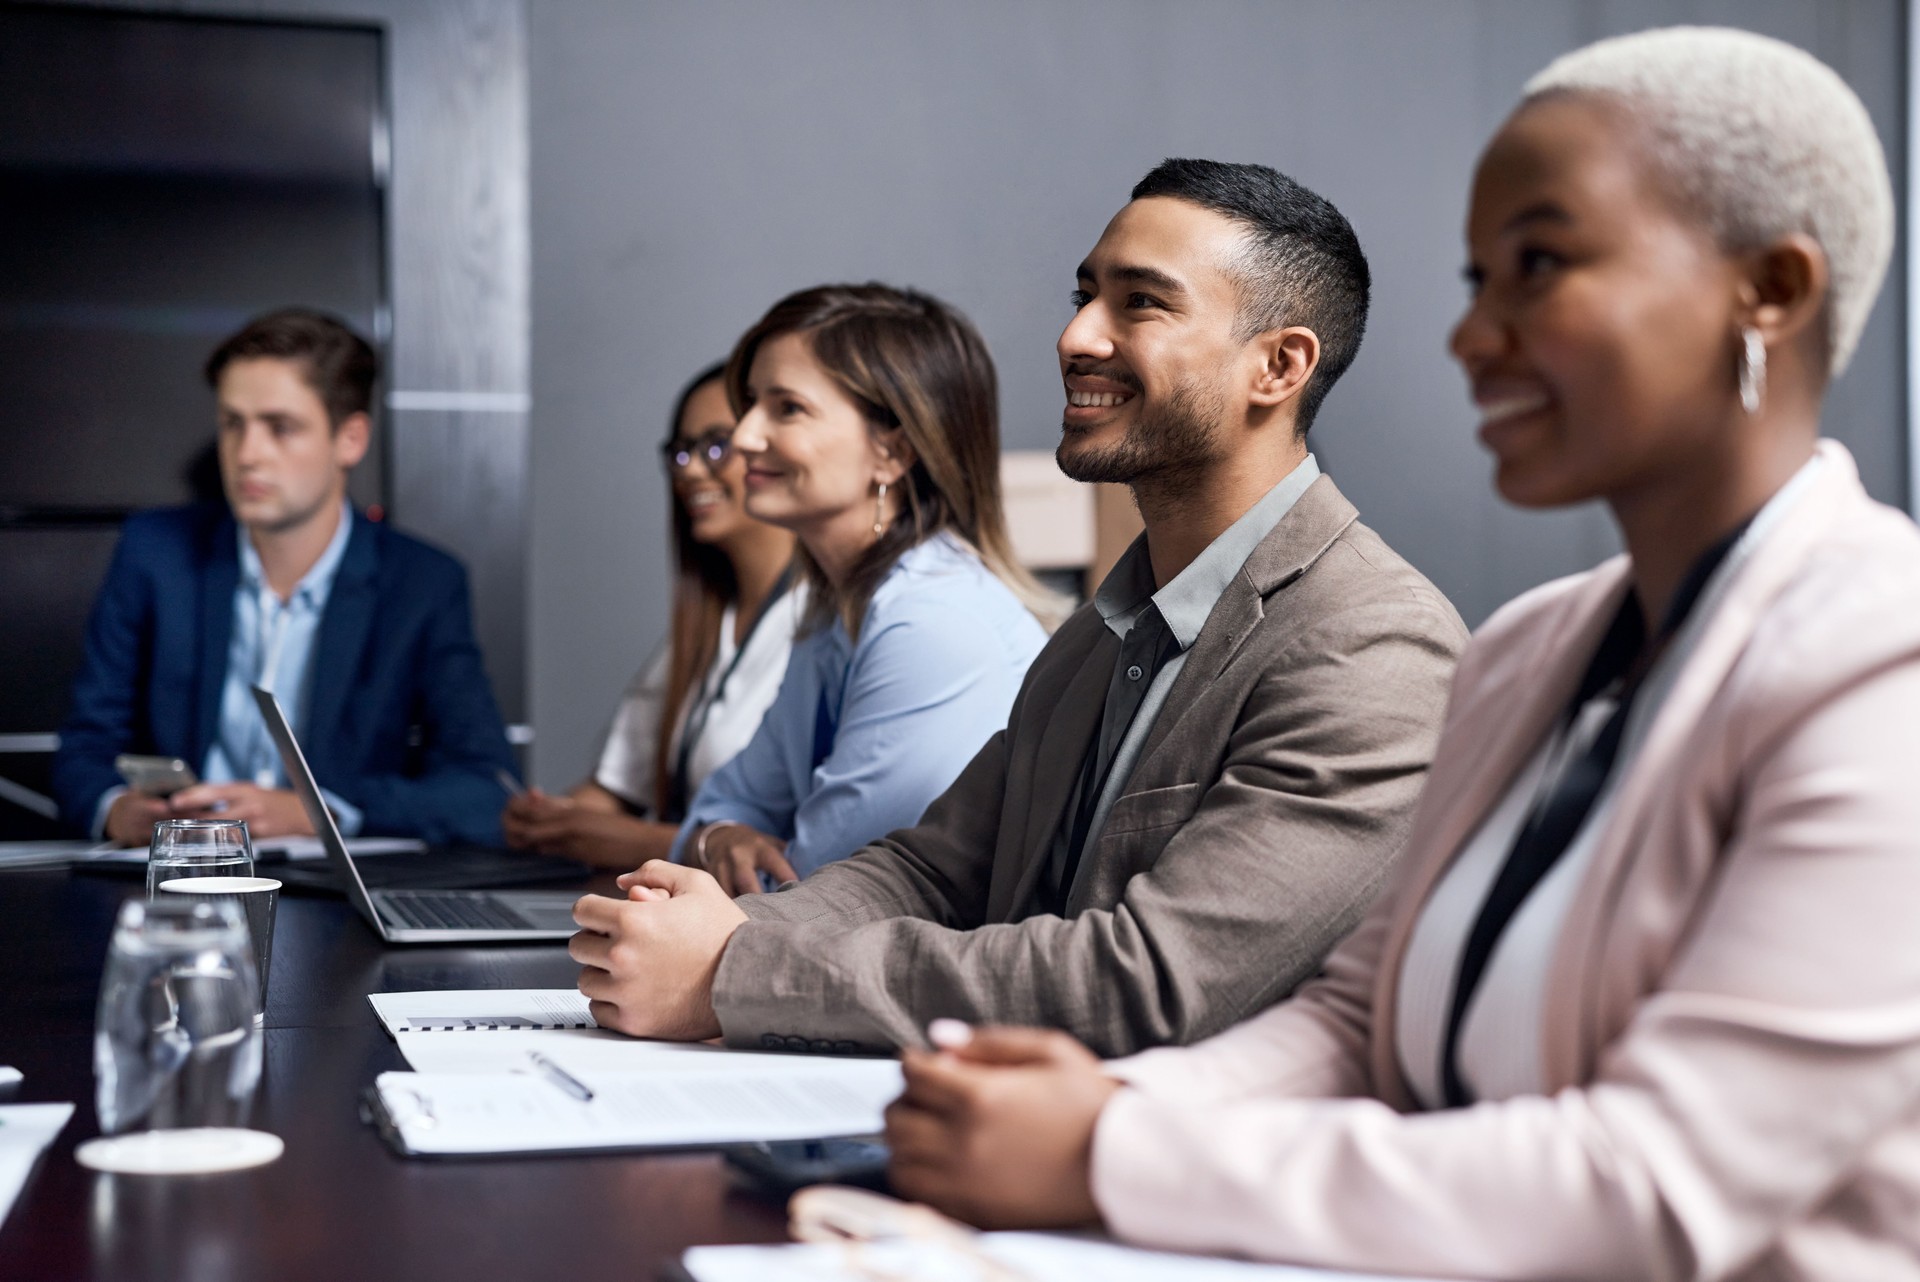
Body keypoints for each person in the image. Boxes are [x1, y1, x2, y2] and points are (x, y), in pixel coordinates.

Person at [883, 28, 1920, 1280]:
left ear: (1772, 291)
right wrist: (1123, 1112)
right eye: (1479, 280)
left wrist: (1114, 1153)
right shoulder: (1531, 650)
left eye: (1539, 265)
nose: (1473, 336)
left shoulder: (1883, 661)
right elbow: (1355, 1023)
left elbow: (1654, 1183)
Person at [569, 162, 1466, 1057]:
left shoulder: (1373, 645)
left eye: (1142, 304)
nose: (1077, 336)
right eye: (1083, 296)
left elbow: (1146, 984)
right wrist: (726, 940)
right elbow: (934, 868)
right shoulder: (1100, 630)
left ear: (1278, 366)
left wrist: (735, 973)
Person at [53, 308, 517, 847]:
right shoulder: (155, 554)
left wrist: (315, 812)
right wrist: (118, 810)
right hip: (181, 882)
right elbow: (83, 753)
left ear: (350, 439)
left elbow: (485, 790)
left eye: (281, 428)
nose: (247, 455)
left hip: (338, 898)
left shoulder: (422, 583)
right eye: (233, 424)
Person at [659, 283, 1054, 895]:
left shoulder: (932, 621)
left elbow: (824, 892)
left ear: (891, 451)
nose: (742, 437)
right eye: (752, 404)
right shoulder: (832, 617)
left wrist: (732, 846)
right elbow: (721, 807)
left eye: (786, 407)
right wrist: (720, 838)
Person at [501, 364, 801, 868]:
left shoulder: (826, 624)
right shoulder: (706, 624)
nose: (688, 470)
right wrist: (549, 819)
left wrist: (625, 840)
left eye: (715, 445)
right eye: (681, 451)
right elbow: (614, 789)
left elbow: (795, 854)